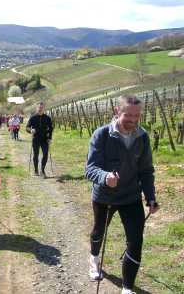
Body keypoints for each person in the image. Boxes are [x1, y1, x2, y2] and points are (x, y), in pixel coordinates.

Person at [85, 95, 159, 294]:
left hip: (131, 196)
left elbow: (146, 171)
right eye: (128, 115)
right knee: (99, 230)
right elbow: (90, 169)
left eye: (137, 115)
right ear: (117, 111)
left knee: (135, 241)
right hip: (105, 196)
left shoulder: (142, 136)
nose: (133, 120)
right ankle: (93, 259)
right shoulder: (101, 135)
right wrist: (105, 176)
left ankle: (127, 288)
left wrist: (150, 197)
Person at [26, 102, 53, 177]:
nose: (40, 109)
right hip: (36, 139)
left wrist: (50, 138)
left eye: (42, 107)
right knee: (36, 155)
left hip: (45, 139)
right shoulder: (33, 117)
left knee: (45, 153)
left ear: (44, 108)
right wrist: (30, 131)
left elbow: (51, 129)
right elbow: (27, 127)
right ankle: (36, 170)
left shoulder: (47, 118)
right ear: (36, 108)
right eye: (39, 108)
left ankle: (42, 170)